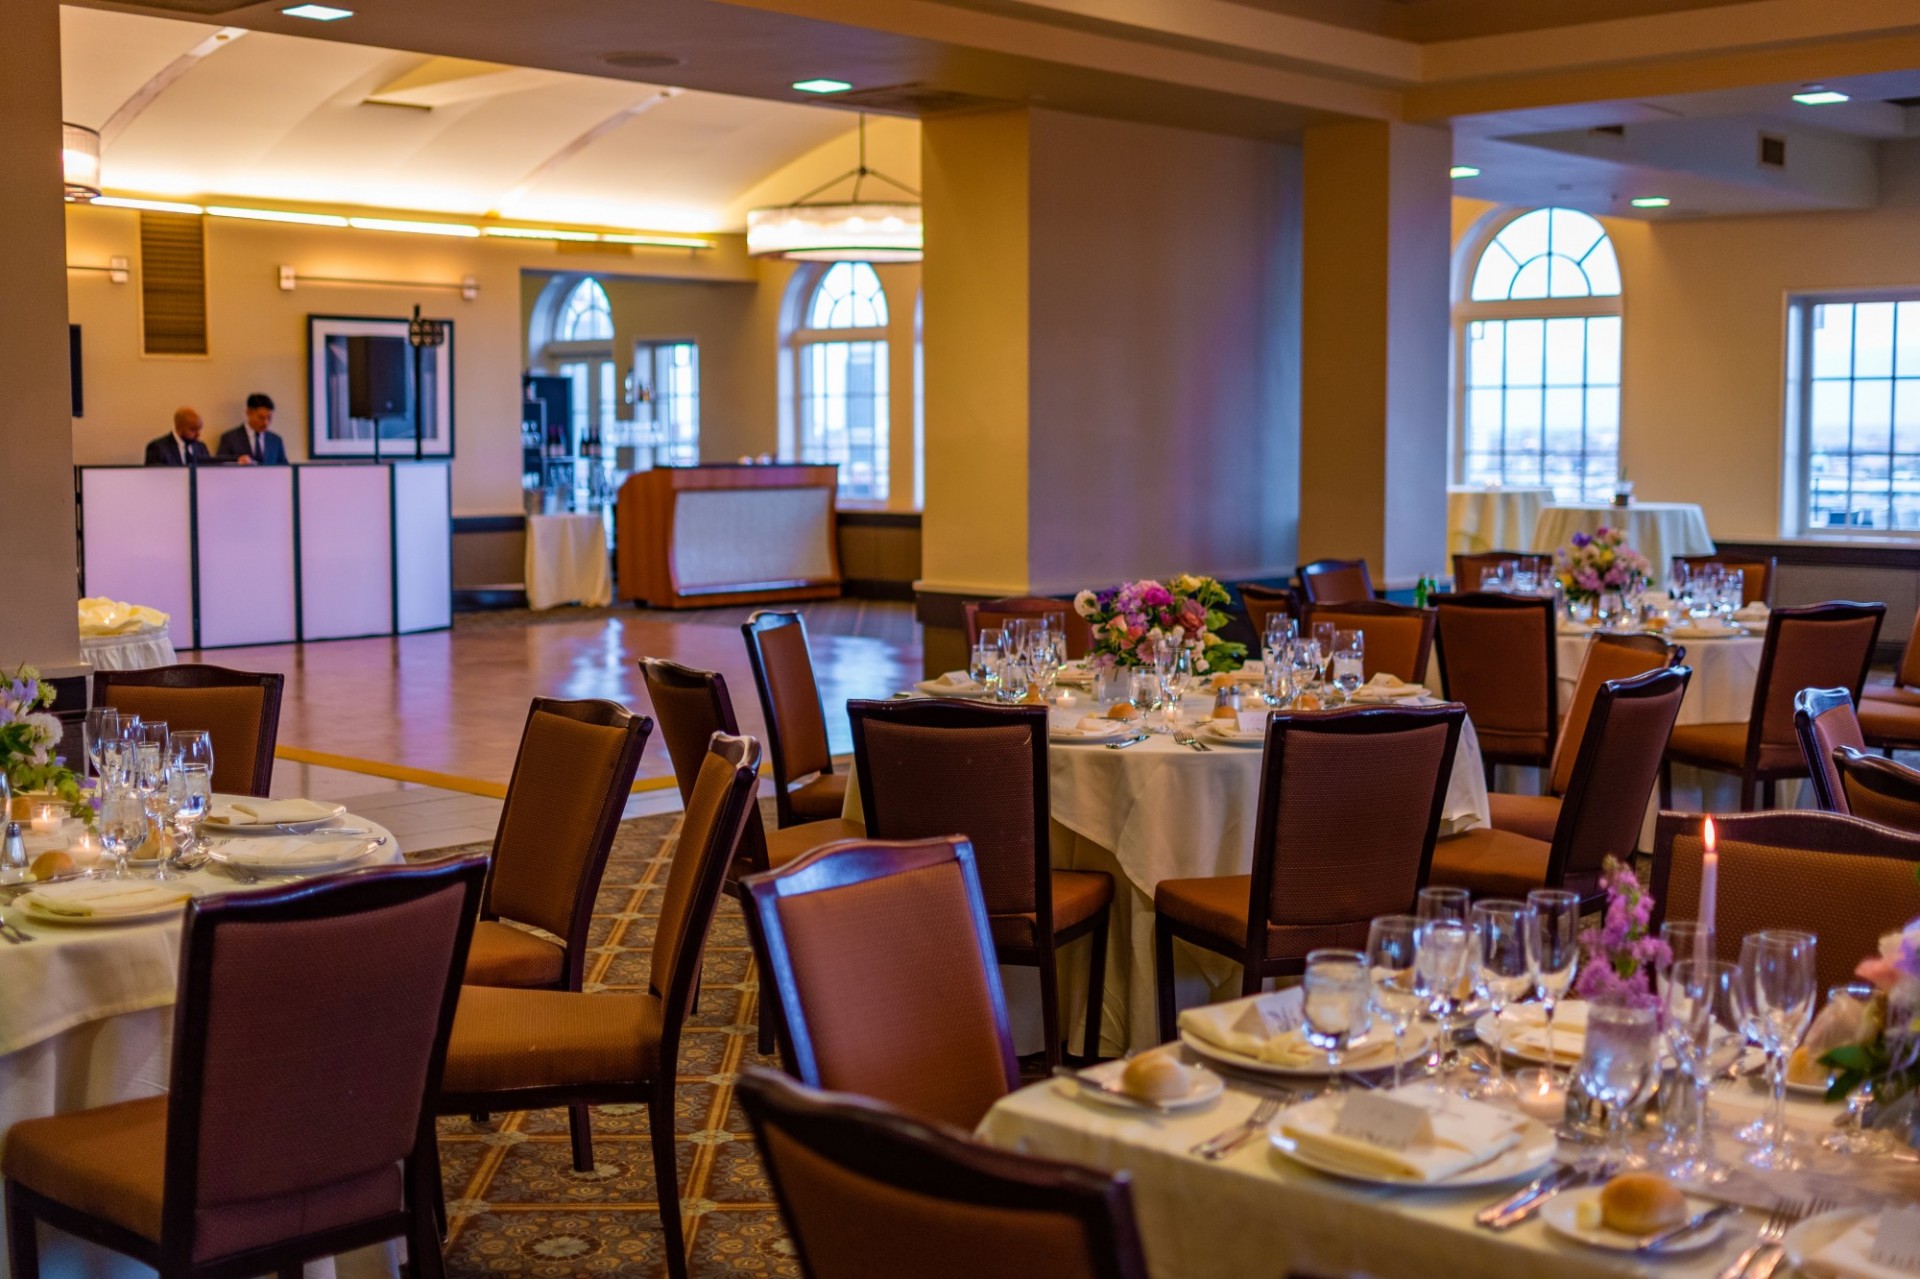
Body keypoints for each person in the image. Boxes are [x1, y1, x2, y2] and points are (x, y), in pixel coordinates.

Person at [216, 393, 289, 465]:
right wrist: (237, 463)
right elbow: (219, 466)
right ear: (248, 413)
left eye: (269, 418)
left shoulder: (276, 441)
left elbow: (285, 469)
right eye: (261, 418)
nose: (265, 423)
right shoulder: (230, 438)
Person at [144, 407, 212, 466]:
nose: (198, 434)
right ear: (179, 427)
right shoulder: (158, 448)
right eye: (193, 429)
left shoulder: (201, 447)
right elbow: (154, 477)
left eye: (199, 429)